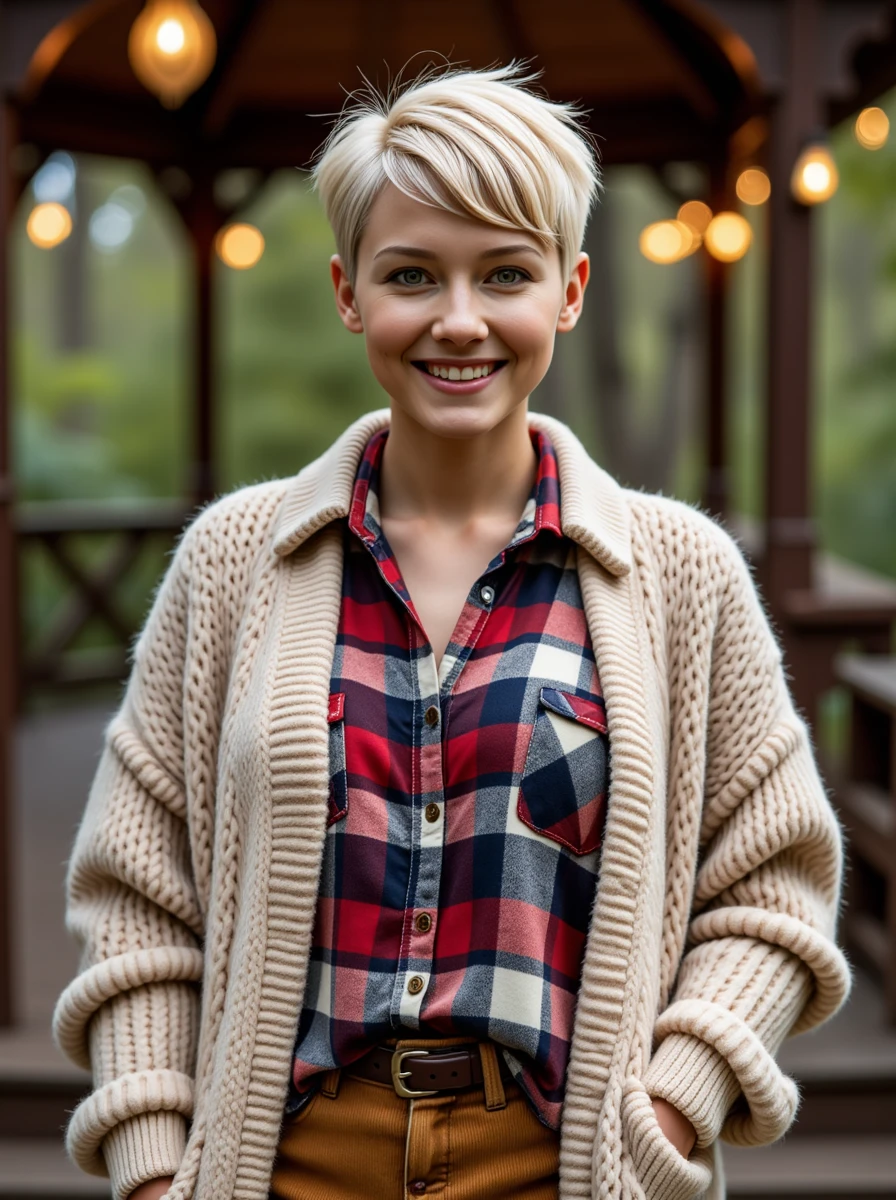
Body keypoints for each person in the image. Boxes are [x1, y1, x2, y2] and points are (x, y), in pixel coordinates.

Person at [53, 64, 850, 1200]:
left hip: (562, 1166)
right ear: (347, 292)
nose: (459, 319)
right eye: (412, 275)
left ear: (569, 291)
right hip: (282, 1169)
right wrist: (149, 1170)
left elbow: (771, 889)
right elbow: (138, 898)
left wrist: (666, 1108)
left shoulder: (682, 575)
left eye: (506, 274)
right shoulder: (234, 562)